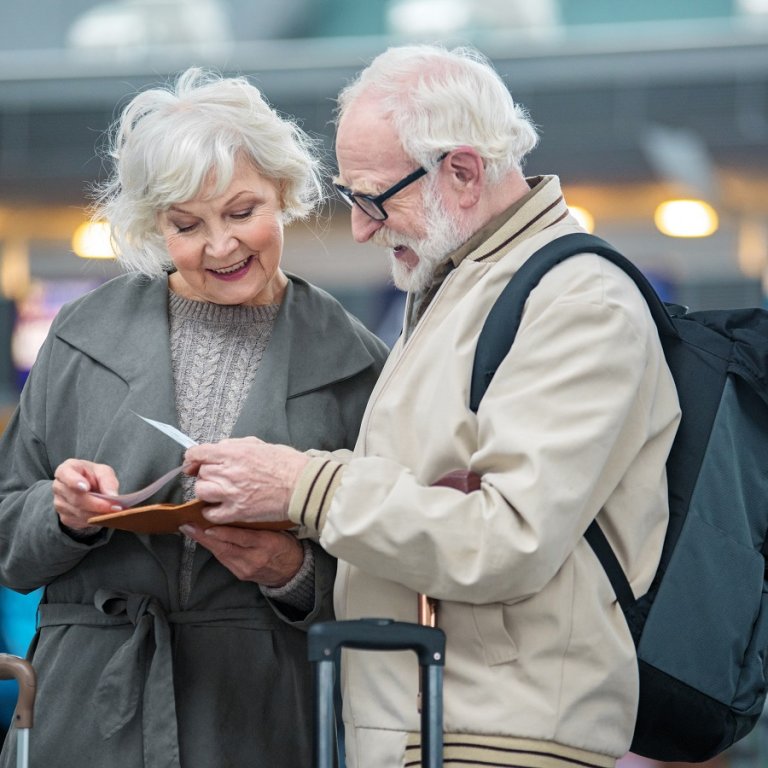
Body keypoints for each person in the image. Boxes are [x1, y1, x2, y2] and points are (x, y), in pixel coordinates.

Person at [183, 45, 682, 768]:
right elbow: (425, 514)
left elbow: (505, 538)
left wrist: (303, 485)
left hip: (497, 736)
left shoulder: (580, 300)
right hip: (437, 723)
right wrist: (290, 554)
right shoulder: (466, 286)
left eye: (374, 198)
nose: (360, 227)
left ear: (464, 170)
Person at [0, 67, 388, 768]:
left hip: (258, 713)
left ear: (286, 193)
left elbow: (390, 572)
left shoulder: (356, 362)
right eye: (186, 225)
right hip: (89, 711)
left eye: (242, 212)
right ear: (154, 226)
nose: (220, 246)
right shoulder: (81, 334)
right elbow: (8, 543)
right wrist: (63, 515)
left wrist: (292, 573)